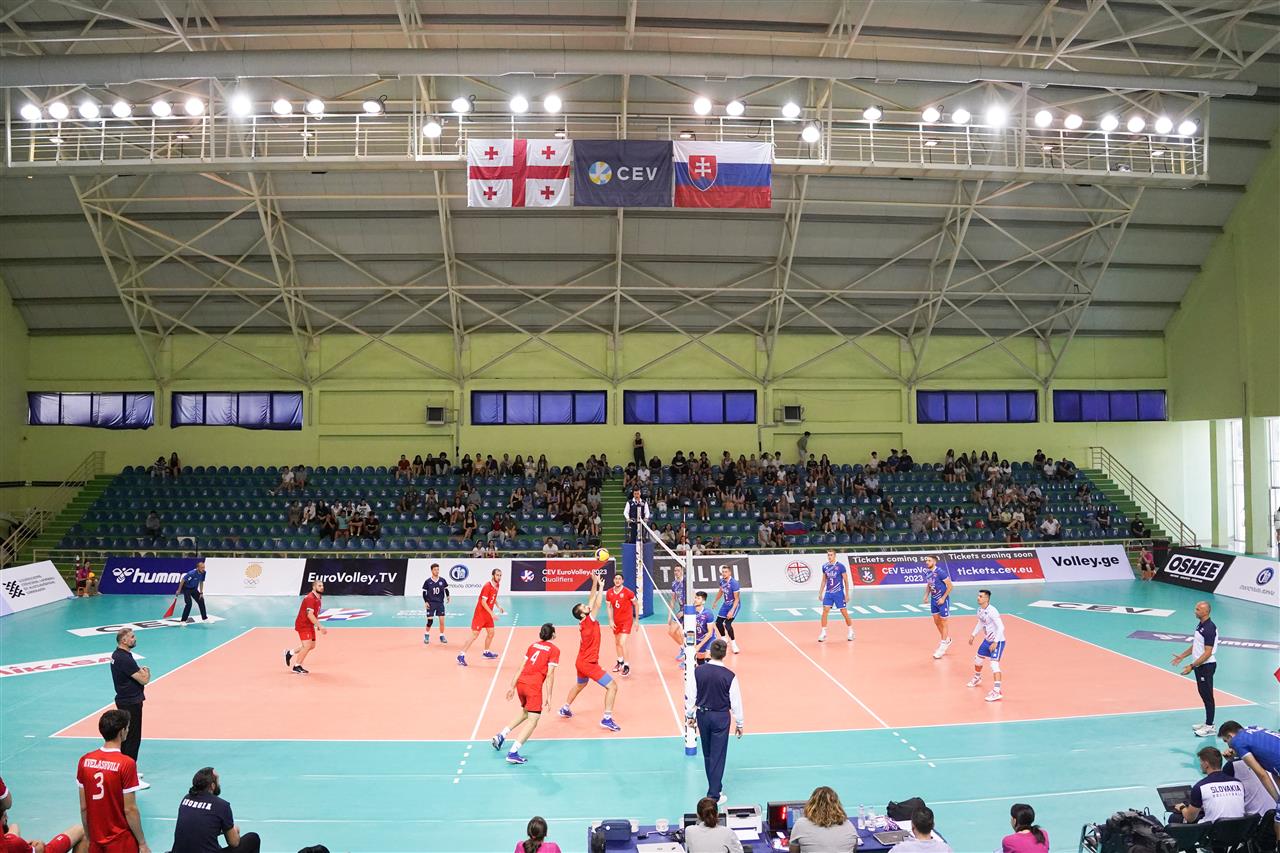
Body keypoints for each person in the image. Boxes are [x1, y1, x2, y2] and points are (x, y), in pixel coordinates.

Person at [77, 710, 150, 853]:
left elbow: (84, 807)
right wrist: (142, 843)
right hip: (121, 841)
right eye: (127, 728)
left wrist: (90, 837)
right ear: (122, 732)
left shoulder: (84, 761)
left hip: (96, 840)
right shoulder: (126, 763)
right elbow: (130, 809)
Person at [559, 572, 620, 731]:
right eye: (585, 607)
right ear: (582, 613)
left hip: (580, 661)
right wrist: (601, 587)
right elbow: (597, 604)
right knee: (612, 686)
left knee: (581, 684)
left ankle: (565, 708)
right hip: (588, 663)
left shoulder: (584, 620)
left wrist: (594, 582)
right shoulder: (589, 621)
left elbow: (591, 600)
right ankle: (607, 718)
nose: (587, 606)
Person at [492, 623, 559, 765]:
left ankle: (501, 735)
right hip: (533, 687)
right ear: (553, 635)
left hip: (521, 683)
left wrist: (512, 686)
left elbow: (521, 666)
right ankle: (513, 752)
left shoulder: (533, 646)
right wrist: (549, 696)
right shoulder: (554, 650)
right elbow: (550, 675)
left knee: (525, 712)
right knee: (533, 720)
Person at [691, 639, 744, 805]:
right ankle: (714, 795)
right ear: (724, 654)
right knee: (718, 756)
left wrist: (690, 716)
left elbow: (692, 695)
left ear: (710, 652)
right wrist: (739, 723)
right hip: (720, 717)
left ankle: (716, 787)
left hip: (702, 715)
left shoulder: (698, 671)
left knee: (708, 754)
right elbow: (736, 702)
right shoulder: (730, 676)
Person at [170, 767, 260, 853]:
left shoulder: (186, 799)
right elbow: (234, 843)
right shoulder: (221, 805)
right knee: (253, 838)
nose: (219, 784)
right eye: (217, 781)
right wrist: (235, 831)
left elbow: (196, 828)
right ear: (212, 786)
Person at [1217, 721, 1280, 840]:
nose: (1228, 746)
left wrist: (1277, 799)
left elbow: (1262, 774)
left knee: (1279, 821)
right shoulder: (1254, 728)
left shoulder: (1237, 742)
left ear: (1230, 736)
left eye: (1226, 741)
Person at [1170, 600, 1218, 737]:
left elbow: (1207, 652)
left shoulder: (1209, 628)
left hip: (1206, 666)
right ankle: (1208, 723)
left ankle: (1210, 727)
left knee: (1207, 696)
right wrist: (1182, 656)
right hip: (1200, 665)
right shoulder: (1201, 625)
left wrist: (1192, 666)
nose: (1195, 611)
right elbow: (1196, 645)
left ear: (1206, 612)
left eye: (1198, 609)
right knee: (1203, 694)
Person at [110, 629, 150, 784]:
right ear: (124, 641)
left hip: (125, 700)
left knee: (127, 738)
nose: (135, 639)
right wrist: (146, 672)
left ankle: (127, 771)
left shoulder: (118, 655)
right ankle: (129, 777)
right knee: (132, 738)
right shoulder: (124, 659)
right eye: (132, 637)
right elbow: (144, 679)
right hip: (131, 702)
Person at [1171, 746, 1245, 825]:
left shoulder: (1200, 787)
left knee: (1174, 817)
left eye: (1201, 762)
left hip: (1212, 829)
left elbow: (1190, 818)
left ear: (1206, 764)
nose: (1200, 765)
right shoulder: (1238, 783)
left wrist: (1182, 807)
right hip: (1239, 826)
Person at [786, 786, 858, 852]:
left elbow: (793, 851)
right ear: (837, 804)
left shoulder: (800, 824)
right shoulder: (849, 825)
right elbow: (854, 849)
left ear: (811, 804)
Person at [458, 569, 506, 666]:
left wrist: (498, 606)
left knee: (491, 633)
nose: (499, 577)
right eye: (497, 575)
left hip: (488, 614)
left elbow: (493, 597)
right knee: (474, 635)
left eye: (500, 575)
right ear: (493, 575)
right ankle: (461, 655)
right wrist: (492, 613)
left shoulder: (497, 585)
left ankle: (486, 652)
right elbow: (483, 602)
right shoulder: (487, 586)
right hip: (480, 614)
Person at [967, 589, 1007, 702]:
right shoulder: (980, 610)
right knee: (978, 659)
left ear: (987, 599)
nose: (978, 598)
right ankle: (977, 677)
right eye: (978, 596)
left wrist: (995, 642)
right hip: (987, 641)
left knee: (994, 665)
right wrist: (973, 634)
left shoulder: (992, 611)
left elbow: (1001, 627)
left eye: (980, 596)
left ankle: (997, 691)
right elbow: (981, 622)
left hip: (998, 642)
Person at [285, 580, 327, 675]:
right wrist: (320, 626)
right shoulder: (310, 598)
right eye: (319, 586)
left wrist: (316, 624)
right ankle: (297, 666)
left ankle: (290, 653)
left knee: (312, 646)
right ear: (314, 587)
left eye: (322, 585)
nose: (322, 587)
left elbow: (315, 613)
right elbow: (310, 614)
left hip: (309, 624)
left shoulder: (318, 597)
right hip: (303, 624)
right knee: (307, 645)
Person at [1, 806, 84, 853]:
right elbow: (39, 849)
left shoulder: (12, 841)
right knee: (80, 830)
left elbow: (14, 827)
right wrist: (36, 844)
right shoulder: (13, 844)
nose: (7, 816)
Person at [817, 549, 854, 643]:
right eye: (828, 555)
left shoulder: (841, 566)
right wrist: (820, 592)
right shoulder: (825, 566)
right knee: (825, 611)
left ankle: (851, 631)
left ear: (835, 556)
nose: (829, 557)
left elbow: (846, 581)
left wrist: (847, 594)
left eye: (831, 555)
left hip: (839, 593)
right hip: (829, 593)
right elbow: (824, 580)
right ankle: (823, 633)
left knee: (844, 612)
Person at [605, 572, 638, 676]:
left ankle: (626, 666)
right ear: (613, 580)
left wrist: (636, 620)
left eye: (619, 579)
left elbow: (636, 604)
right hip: (616, 621)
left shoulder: (628, 592)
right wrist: (610, 620)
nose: (617, 580)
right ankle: (620, 662)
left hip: (627, 621)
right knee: (617, 642)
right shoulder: (609, 592)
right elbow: (609, 607)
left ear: (622, 581)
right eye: (616, 578)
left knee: (622, 642)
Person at [922, 555, 954, 659]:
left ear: (934, 562)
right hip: (933, 600)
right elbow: (929, 584)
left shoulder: (940, 572)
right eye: (926, 560)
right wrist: (926, 595)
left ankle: (942, 647)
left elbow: (950, 586)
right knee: (936, 622)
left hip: (942, 600)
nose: (927, 562)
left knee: (944, 621)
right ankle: (947, 640)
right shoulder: (927, 572)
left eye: (929, 560)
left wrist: (943, 598)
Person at [710, 565, 742, 654]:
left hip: (734, 604)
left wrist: (732, 611)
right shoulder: (722, 581)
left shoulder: (734, 583)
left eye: (726, 572)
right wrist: (715, 601)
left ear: (730, 573)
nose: (724, 573)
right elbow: (721, 591)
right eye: (723, 572)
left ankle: (734, 644)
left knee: (727, 624)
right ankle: (724, 638)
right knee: (718, 623)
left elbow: (737, 599)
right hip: (726, 604)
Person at [421, 562, 450, 645]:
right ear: (432, 571)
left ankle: (442, 635)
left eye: (438, 569)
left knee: (442, 621)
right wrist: (426, 602)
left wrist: (448, 596)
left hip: (440, 603)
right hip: (431, 603)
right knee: (430, 621)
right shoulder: (428, 581)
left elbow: (446, 589)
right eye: (435, 570)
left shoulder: (442, 580)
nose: (437, 571)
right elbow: (424, 593)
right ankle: (426, 634)